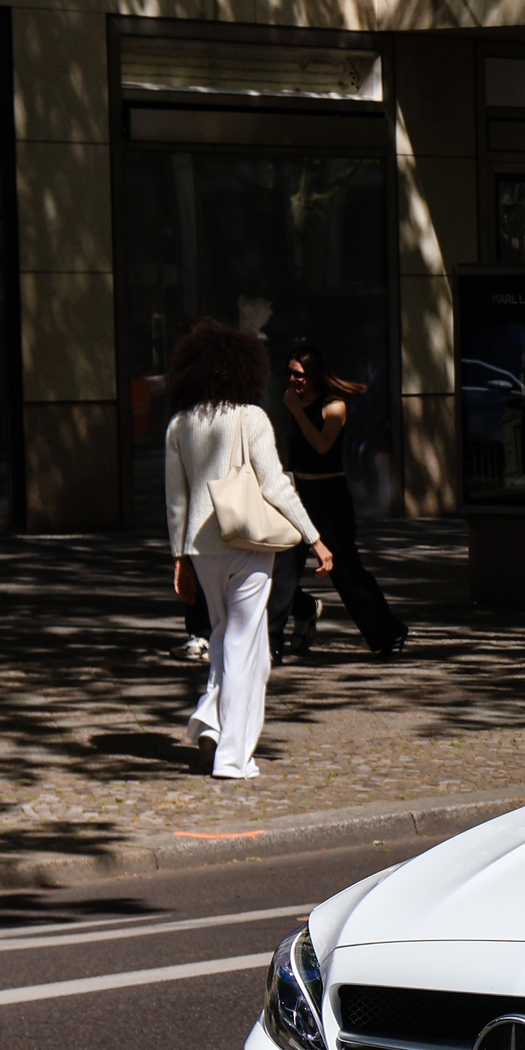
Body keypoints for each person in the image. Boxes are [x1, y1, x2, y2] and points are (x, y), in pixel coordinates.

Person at [163, 319, 329, 780]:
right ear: (243, 369)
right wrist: (313, 537)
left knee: (224, 639)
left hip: (200, 547)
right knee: (245, 648)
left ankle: (210, 722)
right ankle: (233, 757)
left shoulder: (179, 425)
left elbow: (176, 501)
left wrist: (178, 558)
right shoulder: (251, 417)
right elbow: (275, 484)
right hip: (247, 543)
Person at [268, 342, 408, 658]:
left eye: (299, 375)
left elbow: (321, 445)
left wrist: (296, 411)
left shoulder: (334, 406)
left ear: (314, 375)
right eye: (289, 374)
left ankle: (388, 632)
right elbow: (295, 450)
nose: (293, 380)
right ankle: (271, 642)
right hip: (298, 495)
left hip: (329, 498)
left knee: (345, 570)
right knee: (284, 567)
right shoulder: (297, 402)